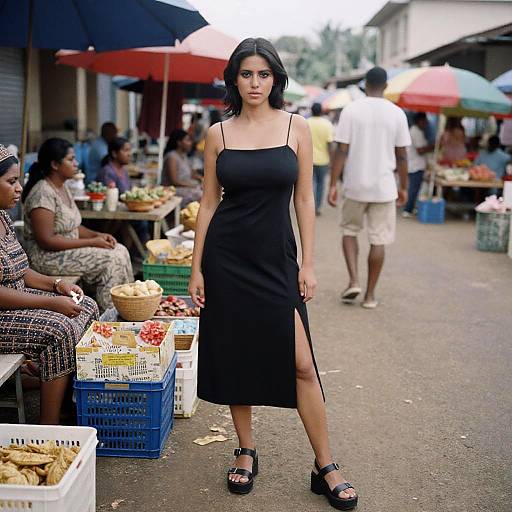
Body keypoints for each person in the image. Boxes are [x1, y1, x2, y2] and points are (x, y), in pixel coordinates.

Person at [189, 38, 358, 510]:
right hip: (227, 257)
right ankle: (245, 449)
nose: (255, 83)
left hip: (276, 259)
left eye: (264, 74)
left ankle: (324, 464)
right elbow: (207, 203)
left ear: (276, 79)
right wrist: (197, 267)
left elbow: (304, 199)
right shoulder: (218, 134)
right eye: (247, 74)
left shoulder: (296, 127)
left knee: (301, 362)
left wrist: (308, 262)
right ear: (234, 80)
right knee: (235, 354)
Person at [0, 145, 99, 424]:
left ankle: (71, 399)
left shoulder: (3, 217)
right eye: (11, 182)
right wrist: (50, 302)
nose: (19, 188)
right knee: (60, 329)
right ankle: (50, 426)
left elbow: (21, 271)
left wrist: (58, 285)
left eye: (17, 180)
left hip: (15, 304)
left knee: (87, 306)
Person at [328, 66, 410, 309]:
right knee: (378, 240)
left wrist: (333, 183)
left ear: (364, 85)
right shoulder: (397, 114)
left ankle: (354, 281)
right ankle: (370, 296)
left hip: (355, 184)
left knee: (350, 231)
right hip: (384, 187)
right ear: (386, 87)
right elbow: (403, 156)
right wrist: (404, 187)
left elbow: (341, 150)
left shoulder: (351, 111)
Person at [22, 138, 133, 312]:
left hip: (66, 251)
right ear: (55, 164)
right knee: (112, 260)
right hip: (46, 257)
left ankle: (127, 306)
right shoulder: (42, 194)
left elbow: (73, 226)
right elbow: (46, 240)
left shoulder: (62, 187)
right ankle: (109, 316)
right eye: (70, 159)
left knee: (120, 250)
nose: (76, 163)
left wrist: (97, 235)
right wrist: (92, 242)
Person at [403, 112, 434, 217]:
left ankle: (411, 207)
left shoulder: (417, 131)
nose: (426, 123)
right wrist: (433, 146)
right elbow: (420, 150)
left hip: (416, 164)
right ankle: (408, 209)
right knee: (413, 188)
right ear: (420, 121)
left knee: (415, 188)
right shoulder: (415, 132)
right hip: (415, 165)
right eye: (424, 121)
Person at [162, 129, 202, 206]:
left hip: (185, 187)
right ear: (179, 142)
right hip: (172, 190)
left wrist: (201, 179)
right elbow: (174, 181)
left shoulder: (184, 156)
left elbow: (191, 173)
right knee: (200, 195)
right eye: (187, 140)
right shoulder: (172, 157)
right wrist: (193, 185)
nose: (190, 143)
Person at [307, 102, 334, 215]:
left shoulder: (306, 122)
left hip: (307, 159)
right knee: (321, 184)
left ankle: (309, 206)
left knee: (309, 184)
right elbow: (330, 144)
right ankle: (317, 207)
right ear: (321, 111)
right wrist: (331, 159)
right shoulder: (327, 124)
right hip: (323, 160)